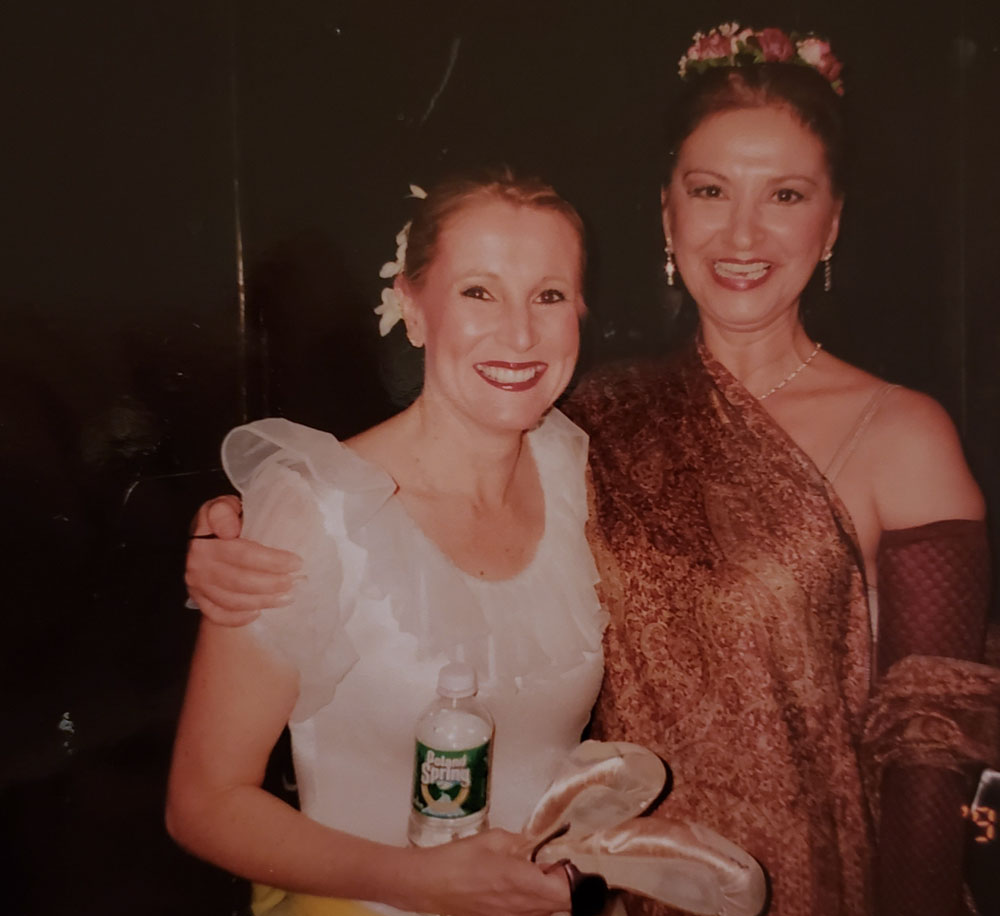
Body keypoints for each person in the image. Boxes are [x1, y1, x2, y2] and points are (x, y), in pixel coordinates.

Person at [184, 25, 999, 916]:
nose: (742, 232)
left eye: (787, 195)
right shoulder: (594, 422)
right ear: (667, 213)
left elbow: (933, 733)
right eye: (710, 190)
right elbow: (426, 478)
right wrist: (239, 525)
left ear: (832, 220)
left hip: (826, 881)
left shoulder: (902, 433)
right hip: (622, 891)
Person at [168, 167, 608, 916]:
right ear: (412, 307)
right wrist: (421, 882)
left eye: (549, 295)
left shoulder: (583, 476)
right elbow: (202, 803)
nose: (521, 332)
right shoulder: (316, 512)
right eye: (479, 291)